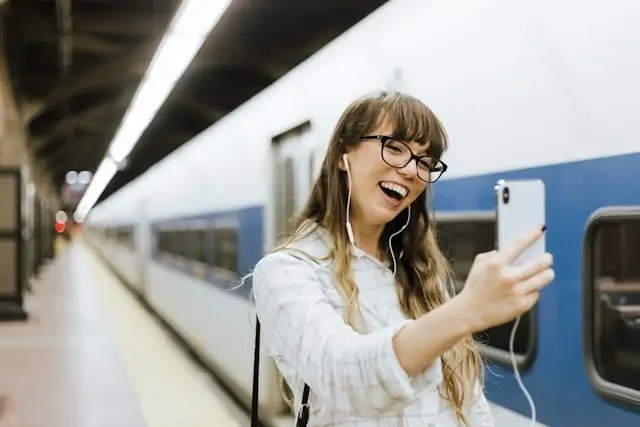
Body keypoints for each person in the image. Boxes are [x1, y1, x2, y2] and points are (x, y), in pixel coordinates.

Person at [251, 91, 554, 426]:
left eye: (425, 162)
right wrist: (467, 310)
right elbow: (343, 378)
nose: (412, 170)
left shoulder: (421, 271)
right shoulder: (287, 270)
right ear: (342, 154)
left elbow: (467, 400)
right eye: (394, 147)